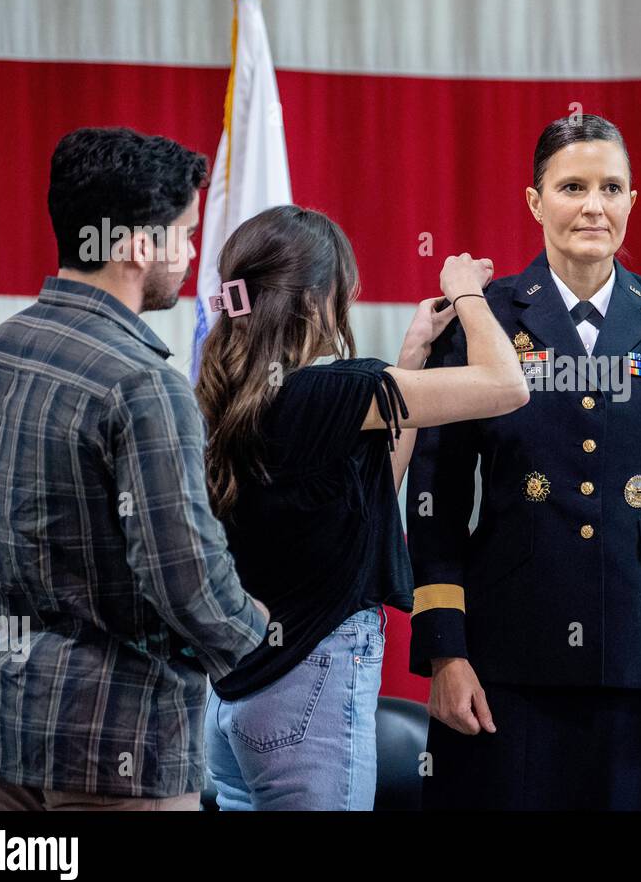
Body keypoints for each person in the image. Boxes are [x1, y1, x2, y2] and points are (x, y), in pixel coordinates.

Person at [406, 115, 641, 810]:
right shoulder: (483, 319)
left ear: (632, 200)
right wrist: (445, 650)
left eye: (611, 187)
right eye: (572, 186)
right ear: (535, 202)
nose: (594, 205)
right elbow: (434, 498)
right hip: (504, 666)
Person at [0, 127, 269, 811]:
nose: (190, 255)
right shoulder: (141, 384)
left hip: (7, 734)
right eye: (183, 234)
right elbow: (184, 578)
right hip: (116, 744)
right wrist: (254, 627)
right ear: (134, 247)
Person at [197, 205, 528, 810]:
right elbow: (507, 385)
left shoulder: (232, 394)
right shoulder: (330, 391)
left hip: (234, 703)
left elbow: (369, 495)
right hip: (307, 688)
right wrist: (468, 294)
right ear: (314, 298)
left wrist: (411, 359)